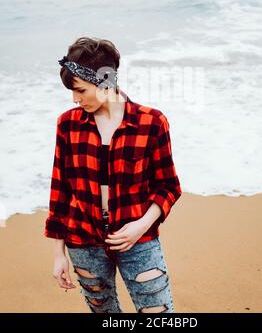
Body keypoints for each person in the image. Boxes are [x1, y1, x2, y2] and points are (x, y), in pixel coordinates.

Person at [44, 36, 182, 313]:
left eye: (81, 90)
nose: (75, 98)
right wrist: (58, 254)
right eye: (72, 92)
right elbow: (61, 190)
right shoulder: (68, 124)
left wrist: (142, 225)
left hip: (139, 241)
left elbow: (169, 186)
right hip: (82, 242)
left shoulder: (151, 122)